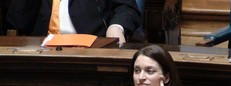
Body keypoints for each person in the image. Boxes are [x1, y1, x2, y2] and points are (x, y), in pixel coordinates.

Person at [6, 0, 142, 44]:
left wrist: (116, 27)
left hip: (92, 48)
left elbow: (127, 7)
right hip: (43, 50)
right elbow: (17, 22)